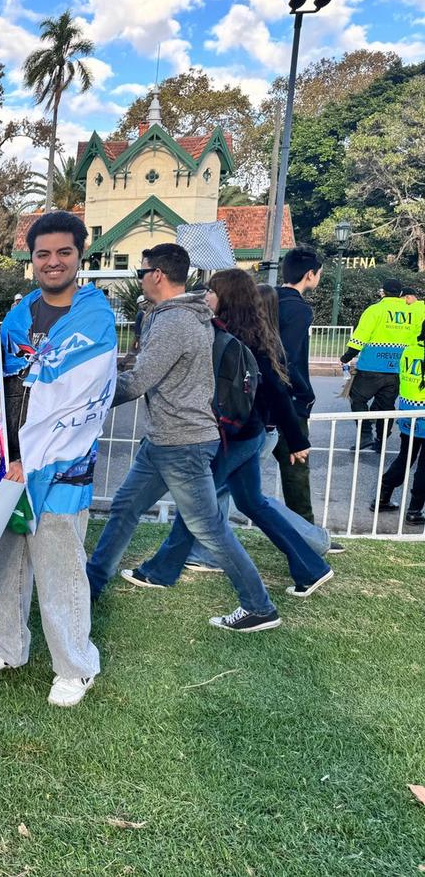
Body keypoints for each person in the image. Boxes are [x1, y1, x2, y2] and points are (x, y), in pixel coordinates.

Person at [86, 244, 282, 632]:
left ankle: (259, 606)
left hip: (183, 445)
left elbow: (139, 382)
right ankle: (90, 585)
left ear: (157, 275)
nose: (139, 279)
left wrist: (83, 400)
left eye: (141, 272)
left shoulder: (175, 322)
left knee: (209, 528)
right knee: (125, 508)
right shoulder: (181, 315)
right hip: (165, 440)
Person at [0, 211, 116, 708]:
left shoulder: (95, 318)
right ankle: (6, 647)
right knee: (1, 564)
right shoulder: (18, 315)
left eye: (63, 253)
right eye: (43, 254)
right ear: (31, 261)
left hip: (59, 467)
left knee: (60, 569)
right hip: (4, 464)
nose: (53, 262)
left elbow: (77, 401)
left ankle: (75, 666)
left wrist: (30, 459)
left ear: (80, 256)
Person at [120, 269, 334, 599]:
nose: (205, 296)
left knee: (198, 507)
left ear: (226, 297)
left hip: (234, 438)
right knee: (253, 504)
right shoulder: (248, 333)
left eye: (211, 291)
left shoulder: (237, 339)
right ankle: (311, 567)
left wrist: (297, 440)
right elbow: (276, 390)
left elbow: (278, 391)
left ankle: (160, 571)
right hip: (247, 435)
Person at [274, 247, 322, 521]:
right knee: (296, 469)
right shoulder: (298, 309)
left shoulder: (265, 300)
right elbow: (287, 360)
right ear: (309, 275)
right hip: (287, 402)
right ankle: (308, 536)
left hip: (257, 399)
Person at [342, 279, 417, 453]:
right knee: (387, 407)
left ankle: (366, 434)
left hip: (372, 366)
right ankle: (381, 441)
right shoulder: (411, 313)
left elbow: (360, 337)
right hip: (397, 368)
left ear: (383, 292)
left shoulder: (375, 310)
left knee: (358, 398)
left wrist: (347, 357)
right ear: (400, 294)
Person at [369, 319, 425, 523]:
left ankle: (382, 498)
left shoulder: (409, 351)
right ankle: (415, 510)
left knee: (405, 456)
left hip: (408, 411)